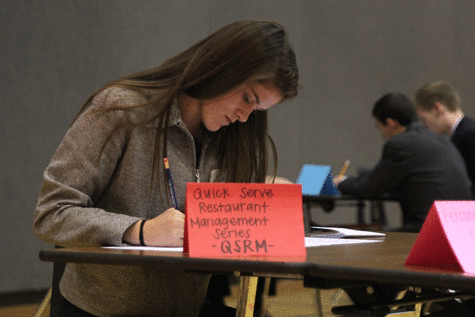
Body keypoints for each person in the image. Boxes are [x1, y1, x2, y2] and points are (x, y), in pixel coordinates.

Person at [33, 20, 299, 317]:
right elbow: (52, 213)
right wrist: (140, 230)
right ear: (223, 68)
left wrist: (259, 202)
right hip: (100, 311)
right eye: (247, 98)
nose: (244, 116)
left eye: (258, 110)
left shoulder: (232, 138)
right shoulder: (123, 109)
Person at [333, 93, 472, 232]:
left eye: (379, 126)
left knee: (367, 242)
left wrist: (341, 182)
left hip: (426, 230)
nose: (382, 135)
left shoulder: (400, 145)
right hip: (461, 229)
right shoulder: (440, 140)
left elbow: (368, 188)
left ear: (391, 123)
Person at [414, 81, 475, 196]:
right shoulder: (464, 132)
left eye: (424, 119)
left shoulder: (469, 135)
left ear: (438, 108)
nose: (425, 126)